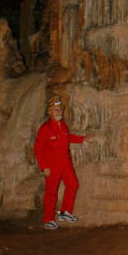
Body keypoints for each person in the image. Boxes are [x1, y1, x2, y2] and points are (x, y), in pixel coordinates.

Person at [33, 95, 94, 230]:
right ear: (50, 112)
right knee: (51, 193)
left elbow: (68, 137)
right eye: (55, 110)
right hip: (52, 165)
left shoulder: (63, 126)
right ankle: (48, 219)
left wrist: (83, 139)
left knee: (73, 184)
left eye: (60, 109)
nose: (58, 112)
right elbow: (38, 149)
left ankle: (65, 212)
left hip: (65, 163)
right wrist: (44, 167)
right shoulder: (45, 128)